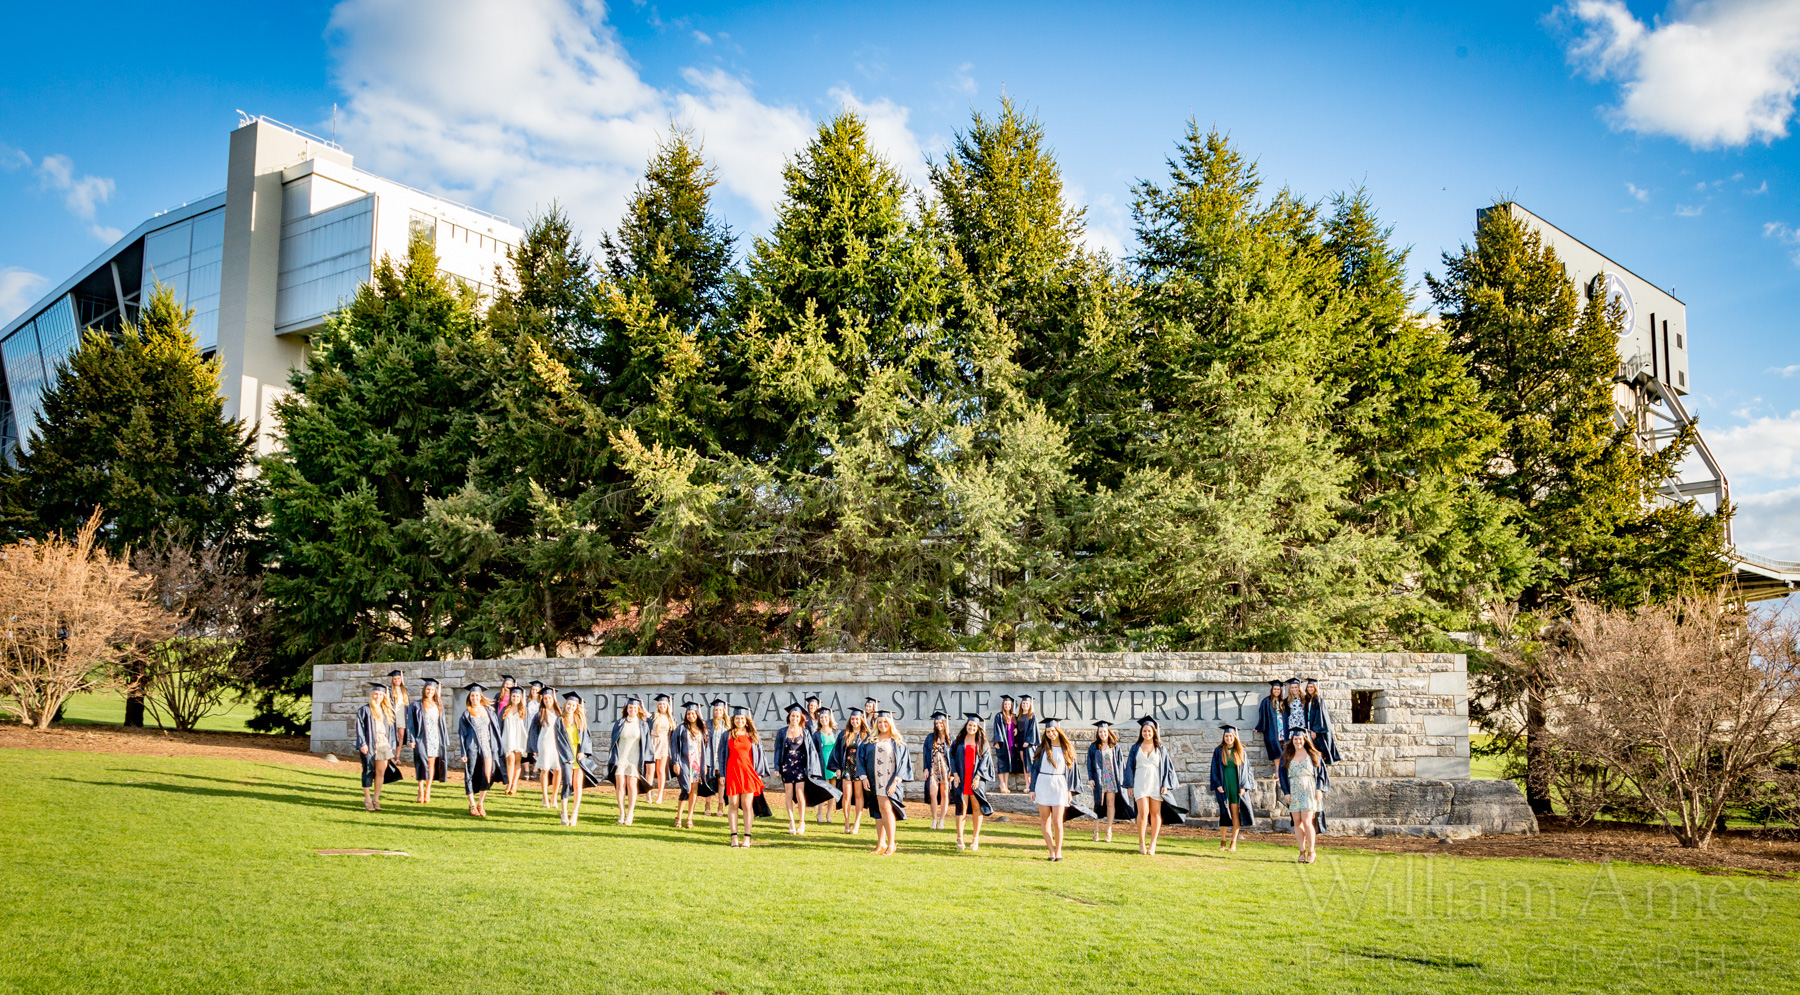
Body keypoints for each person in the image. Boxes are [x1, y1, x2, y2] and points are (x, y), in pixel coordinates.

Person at [1120, 715, 1182, 856]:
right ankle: (1141, 842)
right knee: (1143, 812)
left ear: (1154, 732)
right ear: (1141, 732)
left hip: (1156, 783)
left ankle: (1153, 842)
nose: (1147, 733)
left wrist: (1165, 784)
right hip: (1140, 782)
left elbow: (1167, 767)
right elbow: (1129, 766)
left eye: (1149, 731)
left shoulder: (1160, 748)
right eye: (1144, 731)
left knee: (1155, 812)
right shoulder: (1135, 748)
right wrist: (1129, 785)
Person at [860, 710, 912, 856]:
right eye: (880, 722)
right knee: (878, 810)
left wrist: (895, 781)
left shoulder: (898, 742)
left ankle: (891, 844)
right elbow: (861, 759)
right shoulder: (870, 741)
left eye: (885, 722)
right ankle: (881, 843)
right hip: (874, 779)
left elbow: (903, 764)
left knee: (887, 808)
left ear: (890, 724)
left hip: (890, 781)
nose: (883, 725)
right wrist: (863, 777)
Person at [1029, 718, 1081, 861]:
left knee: (1058, 821)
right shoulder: (1041, 749)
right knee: (1045, 819)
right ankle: (1051, 851)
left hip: (1060, 784)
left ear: (1058, 731)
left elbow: (1072, 771)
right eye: (1048, 731)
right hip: (1043, 783)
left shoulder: (1067, 749)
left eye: (1053, 731)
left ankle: (1059, 851)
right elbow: (1034, 770)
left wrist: (1070, 790)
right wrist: (1032, 788)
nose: (1051, 734)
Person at [722, 706, 769, 847]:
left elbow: (760, 756)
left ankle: (747, 837)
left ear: (746, 720)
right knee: (733, 804)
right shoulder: (727, 735)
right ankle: (734, 836)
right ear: (733, 719)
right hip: (732, 772)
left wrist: (759, 773)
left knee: (747, 805)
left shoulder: (752, 735)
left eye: (742, 718)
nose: (740, 720)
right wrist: (722, 774)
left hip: (748, 773)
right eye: (737, 718)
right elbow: (722, 755)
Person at [1278, 727, 1325, 863]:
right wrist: (1286, 792)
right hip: (1294, 791)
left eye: (1300, 739)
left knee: (1307, 821)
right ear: (1292, 740)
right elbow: (1282, 775)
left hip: (1309, 790)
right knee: (1297, 822)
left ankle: (1312, 851)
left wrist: (1319, 789)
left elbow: (1321, 774)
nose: (1297, 741)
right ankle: (1301, 851)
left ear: (1305, 739)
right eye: (1295, 739)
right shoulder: (1287, 755)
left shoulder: (1313, 755)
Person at [457, 683, 504, 818]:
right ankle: (472, 805)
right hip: (471, 748)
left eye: (477, 695)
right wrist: (463, 752)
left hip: (487, 748)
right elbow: (462, 734)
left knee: (487, 776)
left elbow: (495, 730)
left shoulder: (489, 711)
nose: (475, 697)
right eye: (472, 695)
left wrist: (497, 747)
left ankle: (480, 804)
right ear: (469, 697)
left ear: (480, 696)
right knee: (470, 775)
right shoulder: (466, 714)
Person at [1209, 724, 1258, 852]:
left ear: (1235, 737)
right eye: (1226, 736)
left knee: (1235, 814)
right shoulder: (1218, 751)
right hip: (1224, 786)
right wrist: (1218, 784)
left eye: (1230, 736)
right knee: (1224, 814)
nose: (1228, 738)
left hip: (1236, 786)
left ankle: (1233, 842)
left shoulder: (1240, 751)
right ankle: (1223, 841)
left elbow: (1247, 771)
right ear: (1223, 737)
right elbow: (1214, 769)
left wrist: (1244, 787)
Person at [948, 713, 993, 851]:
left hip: (975, 780)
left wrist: (978, 776)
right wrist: (954, 773)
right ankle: (960, 838)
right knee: (961, 806)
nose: (971, 727)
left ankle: (975, 838)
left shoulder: (982, 743)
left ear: (978, 727)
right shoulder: (958, 741)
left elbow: (985, 761)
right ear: (966, 725)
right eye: (969, 725)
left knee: (976, 807)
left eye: (974, 726)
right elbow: (951, 757)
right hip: (961, 777)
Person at [354, 683, 401, 811]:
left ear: (384, 696)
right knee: (368, 770)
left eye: (381, 694)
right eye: (376, 694)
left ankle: (376, 798)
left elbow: (391, 731)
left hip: (383, 743)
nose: (378, 696)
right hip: (369, 743)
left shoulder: (387, 711)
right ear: (371, 695)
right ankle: (367, 799)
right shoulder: (365, 710)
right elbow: (360, 729)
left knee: (381, 772)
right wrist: (362, 743)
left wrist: (391, 745)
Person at [608, 697, 654, 825]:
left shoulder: (643, 724)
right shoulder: (619, 723)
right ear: (626, 709)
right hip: (621, 757)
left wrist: (649, 759)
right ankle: (621, 813)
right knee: (620, 785)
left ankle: (630, 813)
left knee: (632, 785)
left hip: (634, 758)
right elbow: (613, 742)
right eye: (630, 708)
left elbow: (647, 744)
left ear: (638, 709)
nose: (632, 710)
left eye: (634, 708)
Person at [1086, 720, 1131, 843]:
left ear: (1108, 732)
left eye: (1104, 731)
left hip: (1111, 778)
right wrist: (1090, 778)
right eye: (1100, 732)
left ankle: (1108, 831)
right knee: (1098, 804)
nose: (1102, 734)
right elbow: (1089, 764)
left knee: (1110, 804)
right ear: (1098, 733)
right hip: (1098, 779)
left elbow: (1121, 764)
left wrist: (1123, 780)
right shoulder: (1093, 747)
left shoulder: (1115, 746)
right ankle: (1096, 831)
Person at [554, 692, 595, 826]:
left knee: (577, 785)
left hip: (579, 756)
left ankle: (575, 813)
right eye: (569, 704)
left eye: (573, 705)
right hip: (567, 756)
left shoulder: (580, 720)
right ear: (565, 705)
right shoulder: (560, 721)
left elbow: (586, 738)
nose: (571, 707)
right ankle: (564, 812)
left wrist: (583, 751)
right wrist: (569, 757)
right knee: (567, 783)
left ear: (576, 706)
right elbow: (559, 740)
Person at [408, 677, 449, 805]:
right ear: (424, 690)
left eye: (432, 689)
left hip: (435, 738)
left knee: (431, 764)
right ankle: (420, 790)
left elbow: (442, 724)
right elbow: (411, 724)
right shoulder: (415, 705)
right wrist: (412, 738)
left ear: (435, 691)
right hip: (421, 737)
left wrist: (444, 739)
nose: (430, 691)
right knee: (421, 763)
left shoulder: (439, 705)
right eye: (428, 689)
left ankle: (428, 790)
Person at [775, 703, 815, 835]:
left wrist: (810, 768)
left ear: (801, 718)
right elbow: (778, 750)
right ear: (789, 717)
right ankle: (791, 821)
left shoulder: (805, 732)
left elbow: (810, 751)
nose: (795, 718)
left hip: (800, 766)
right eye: (793, 716)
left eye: (797, 716)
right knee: (788, 793)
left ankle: (801, 821)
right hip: (787, 766)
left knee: (799, 793)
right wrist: (776, 767)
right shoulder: (782, 732)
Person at [832, 708, 872, 835]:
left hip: (860, 769)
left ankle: (857, 822)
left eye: (857, 719)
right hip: (847, 768)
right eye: (853, 719)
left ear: (861, 720)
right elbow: (837, 751)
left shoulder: (867, 735)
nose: (855, 721)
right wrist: (838, 767)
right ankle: (847, 822)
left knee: (859, 795)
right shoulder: (844, 734)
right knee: (847, 795)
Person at [672, 701, 709, 829]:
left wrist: (705, 765)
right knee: (686, 788)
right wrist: (675, 762)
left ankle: (689, 817)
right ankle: (678, 817)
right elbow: (674, 747)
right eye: (688, 713)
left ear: (697, 715)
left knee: (694, 790)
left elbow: (705, 748)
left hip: (697, 763)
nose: (690, 716)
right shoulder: (681, 728)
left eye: (693, 713)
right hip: (684, 762)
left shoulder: (702, 729)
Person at [534, 686, 565, 808]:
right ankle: (545, 796)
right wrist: (534, 748)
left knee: (558, 770)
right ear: (543, 700)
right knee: (545, 769)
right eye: (545, 698)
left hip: (557, 744)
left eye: (549, 698)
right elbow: (534, 731)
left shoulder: (560, 714)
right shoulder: (540, 714)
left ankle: (554, 797)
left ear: (553, 699)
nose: (547, 700)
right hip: (545, 743)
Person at [922, 711, 954, 830]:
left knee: (945, 794)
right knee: (933, 793)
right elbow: (925, 754)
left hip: (946, 770)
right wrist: (925, 768)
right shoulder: (930, 738)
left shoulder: (951, 738)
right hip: (933, 770)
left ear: (945, 723)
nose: (938, 724)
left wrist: (953, 771)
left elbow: (954, 756)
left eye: (941, 722)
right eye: (936, 723)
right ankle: (934, 819)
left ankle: (942, 820)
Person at [1301, 678, 1342, 764]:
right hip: (1309, 727)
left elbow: (1319, 716)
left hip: (1318, 730)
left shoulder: (1318, 700)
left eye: (1312, 687)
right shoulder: (1308, 699)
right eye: (1308, 687)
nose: (1309, 689)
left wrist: (1314, 731)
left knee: (1320, 749)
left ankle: (1321, 768)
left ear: (1315, 688)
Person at [704, 699, 731, 817]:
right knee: (709, 781)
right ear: (713, 711)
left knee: (722, 782)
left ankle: (720, 805)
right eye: (716, 709)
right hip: (710, 756)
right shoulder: (708, 724)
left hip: (722, 757)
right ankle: (707, 804)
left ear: (724, 711)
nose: (718, 711)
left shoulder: (728, 725)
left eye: (720, 709)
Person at [813, 707, 839, 826]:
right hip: (822, 762)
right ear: (819, 720)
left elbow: (838, 749)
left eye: (825, 717)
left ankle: (829, 813)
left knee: (832, 789)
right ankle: (819, 812)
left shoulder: (835, 732)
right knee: (823, 788)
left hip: (833, 762)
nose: (823, 719)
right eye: (821, 717)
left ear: (829, 718)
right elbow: (813, 750)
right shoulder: (816, 734)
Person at [649, 693, 676, 804]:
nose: (662, 706)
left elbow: (674, 732)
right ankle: (648, 795)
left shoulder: (671, 718)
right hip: (652, 742)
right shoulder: (652, 716)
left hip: (664, 744)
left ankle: (660, 795)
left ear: (667, 705)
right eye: (660, 704)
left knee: (661, 770)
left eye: (664, 704)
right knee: (650, 770)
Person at [501, 692, 529, 794]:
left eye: (517, 696)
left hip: (519, 737)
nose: (515, 698)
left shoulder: (524, 711)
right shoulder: (505, 709)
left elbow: (527, 725)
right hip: (508, 737)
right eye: (513, 696)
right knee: (510, 760)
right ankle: (509, 783)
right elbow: (500, 724)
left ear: (520, 698)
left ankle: (514, 784)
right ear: (510, 697)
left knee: (517, 761)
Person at [992, 695, 1021, 793]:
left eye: (1008, 704)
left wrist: (1016, 729)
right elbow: (997, 729)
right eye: (1005, 704)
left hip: (1011, 743)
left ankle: (1006, 784)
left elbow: (1017, 726)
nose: (1007, 705)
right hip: (1002, 743)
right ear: (1003, 705)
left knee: (1008, 763)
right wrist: (997, 741)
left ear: (1011, 705)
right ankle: (1002, 784)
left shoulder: (1013, 717)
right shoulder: (999, 716)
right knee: (1001, 763)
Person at [1253, 679, 1285, 763]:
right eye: (1275, 689)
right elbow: (1262, 715)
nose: (1276, 691)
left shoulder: (1283, 702)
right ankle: (1277, 771)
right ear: (1272, 690)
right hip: (1273, 729)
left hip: (1283, 729)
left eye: (1278, 689)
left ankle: (1284, 772)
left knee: (1284, 749)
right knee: (1276, 750)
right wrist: (1259, 727)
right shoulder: (1266, 701)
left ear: (1280, 690)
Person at [385, 670, 410, 778]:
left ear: (401, 679)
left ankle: (397, 757)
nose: (397, 680)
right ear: (392, 680)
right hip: (393, 716)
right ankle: (390, 758)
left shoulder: (405, 691)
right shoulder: (389, 690)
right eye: (395, 679)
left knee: (401, 736)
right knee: (391, 736)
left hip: (402, 716)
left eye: (398, 678)